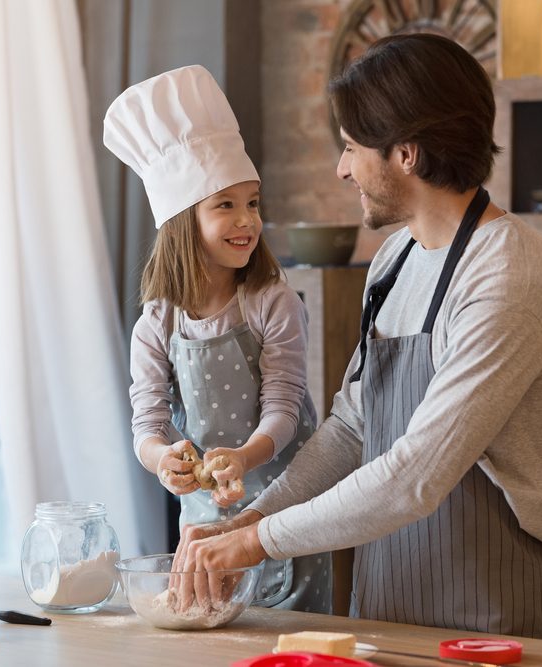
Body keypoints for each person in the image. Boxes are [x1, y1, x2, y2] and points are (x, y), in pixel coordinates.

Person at [171, 35, 542, 641]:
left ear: (407, 155)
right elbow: (351, 427)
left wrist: (255, 544)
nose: (341, 169)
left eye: (350, 148)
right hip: (386, 612)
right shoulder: (394, 260)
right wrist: (254, 517)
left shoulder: (508, 277)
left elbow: (416, 475)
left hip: (497, 624)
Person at [103, 64, 332, 613]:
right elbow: (147, 423)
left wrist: (244, 457)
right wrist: (163, 461)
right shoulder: (158, 321)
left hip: (284, 509)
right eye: (224, 204)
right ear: (183, 221)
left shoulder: (273, 301)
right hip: (204, 519)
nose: (246, 220)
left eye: (252, 202)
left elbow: (284, 408)